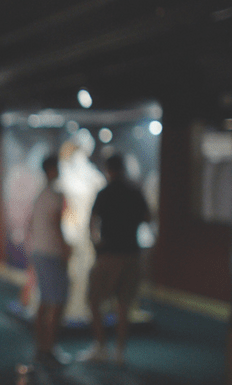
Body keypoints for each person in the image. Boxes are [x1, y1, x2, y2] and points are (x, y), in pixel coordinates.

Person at [82, 153, 149, 363]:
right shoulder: (135, 192)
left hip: (108, 255)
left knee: (94, 301)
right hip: (131, 253)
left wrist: (96, 244)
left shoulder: (104, 193)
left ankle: (100, 346)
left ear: (108, 170)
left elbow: (92, 221)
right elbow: (148, 217)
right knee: (123, 306)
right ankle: (119, 351)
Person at [24, 155, 72, 367]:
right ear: (51, 169)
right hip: (51, 253)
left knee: (45, 301)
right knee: (57, 302)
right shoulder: (54, 194)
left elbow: (32, 223)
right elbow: (56, 224)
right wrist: (64, 250)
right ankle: (49, 348)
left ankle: (41, 346)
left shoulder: (40, 194)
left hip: (39, 251)